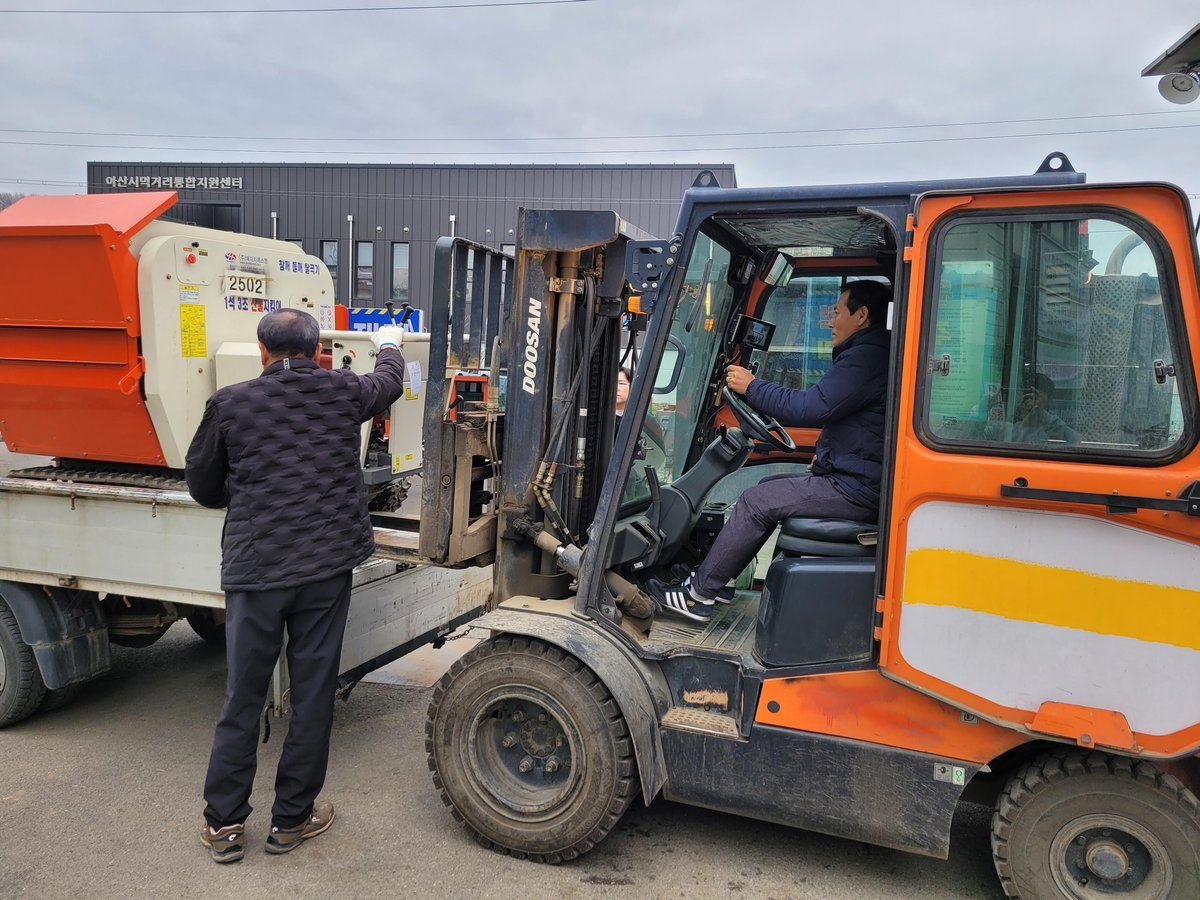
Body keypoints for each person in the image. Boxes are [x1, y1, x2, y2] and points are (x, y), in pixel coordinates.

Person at [186, 309, 407, 863]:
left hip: (257, 571)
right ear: (316, 351)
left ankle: (224, 825)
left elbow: (203, 485)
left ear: (262, 351)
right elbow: (389, 382)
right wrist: (389, 342)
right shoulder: (342, 391)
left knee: (243, 696)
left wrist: (244, 497)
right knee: (312, 694)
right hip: (325, 570)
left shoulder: (230, 403)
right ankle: (291, 820)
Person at [647, 280, 892, 622]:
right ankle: (719, 580)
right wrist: (827, 456)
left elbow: (811, 407)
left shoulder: (865, 358)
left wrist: (752, 387)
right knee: (766, 488)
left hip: (856, 489)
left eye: (837, 312)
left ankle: (696, 597)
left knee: (755, 501)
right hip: (857, 479)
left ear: (861, 315)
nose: (830, 321)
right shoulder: (873, 354)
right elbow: (851, 421)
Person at [1010, 372, 1079, 444]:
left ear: (1049, 399)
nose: (1031, 400)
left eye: (1036, 396)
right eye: (1029, 395)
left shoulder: (1054, 425)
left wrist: (1039, 412)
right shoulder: (1012, 421)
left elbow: (1077, 440)